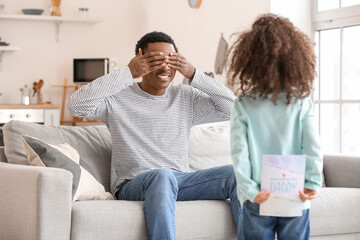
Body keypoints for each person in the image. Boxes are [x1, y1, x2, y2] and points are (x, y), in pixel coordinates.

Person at [67, 31, 242, 240]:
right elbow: (75, 106)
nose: (165, 67)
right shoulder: (116, 99)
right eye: (156, 60)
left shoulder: (186, 98)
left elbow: (232, 108)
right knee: (162, 175)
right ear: (140, 59)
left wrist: (194, 73)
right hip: (133, 184)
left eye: (171, 60)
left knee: (235, 175)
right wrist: (127, 73)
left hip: (179, 182)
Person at [228, 14, 323, 240]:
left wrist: (251, 191)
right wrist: (312, 184)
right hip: (295, 194)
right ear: (295, 59)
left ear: (249, 61)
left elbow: (239, 156)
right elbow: (313, 148)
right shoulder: (301, 103)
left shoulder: (243, 106)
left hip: (259, 197)